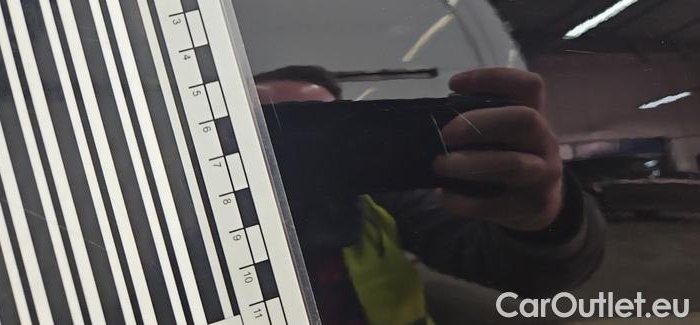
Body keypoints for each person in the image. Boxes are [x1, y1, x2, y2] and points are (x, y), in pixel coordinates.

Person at [255, 66, 606, 325]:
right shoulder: (220, 221)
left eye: (321, 129)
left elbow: (524, 271)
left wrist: (546, 223)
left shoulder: (380, 202)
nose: (303, 151)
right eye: (278, 130)